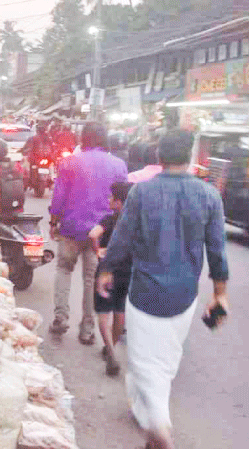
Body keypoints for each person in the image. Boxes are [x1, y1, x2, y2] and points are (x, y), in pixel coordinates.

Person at [97, 129, 229, 449]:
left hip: (144, 291)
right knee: (166, 361)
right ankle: (148, 421)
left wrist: (107, 268)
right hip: (185, 294)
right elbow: (217, 250)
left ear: (159, 157)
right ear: (189, 158)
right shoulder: (209, 195)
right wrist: (220, 293)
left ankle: (158, 425)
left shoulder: (141, 193)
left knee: (144, 362)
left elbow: (122, 238)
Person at [48, 122, 128, 344]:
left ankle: (60, 319)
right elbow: (122, 201)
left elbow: (59, 197)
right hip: (100, 233)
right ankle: (87, 329)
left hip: (70, 229)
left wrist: (54, 221)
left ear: (83, 139)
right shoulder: (119, 165)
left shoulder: (69, 162)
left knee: (64, 270)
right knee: (92, 280)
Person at [88, 181, 133, 377]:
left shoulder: (111, 219)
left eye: (111, 197)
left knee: (104, 312)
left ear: (118, 201)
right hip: (128, 271)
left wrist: (98, 251)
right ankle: (111, 348)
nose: (108, 200)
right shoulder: (136, 221)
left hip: (108, 270)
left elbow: (93, 234)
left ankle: (111, 351)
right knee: (120, 311)